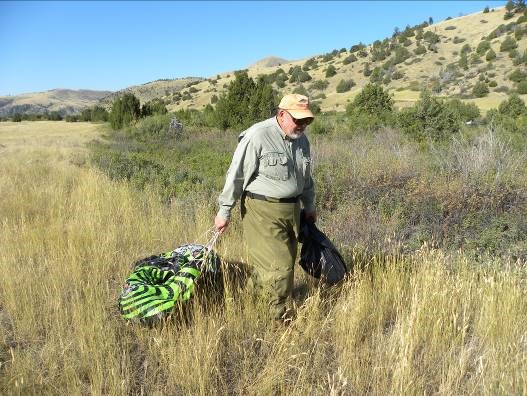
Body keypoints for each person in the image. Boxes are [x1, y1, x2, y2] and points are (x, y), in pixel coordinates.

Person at [214, 93, 317, 320]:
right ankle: (275, 318)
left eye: (307, 120)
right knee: (279, 267)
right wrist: (224, 211)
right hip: (262, 210)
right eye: (298, 120)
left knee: (284, 263)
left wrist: (309, 205)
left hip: (292, 211)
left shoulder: (302, 140)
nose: (303, 125)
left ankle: (252, 299)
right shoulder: (257, 135)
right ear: (282, 114)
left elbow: (307, 177)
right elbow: (236, 176)